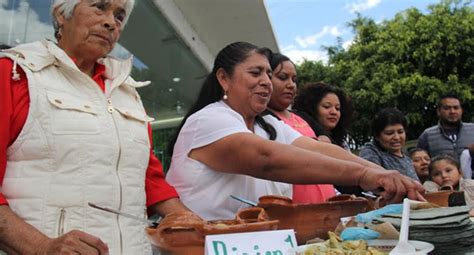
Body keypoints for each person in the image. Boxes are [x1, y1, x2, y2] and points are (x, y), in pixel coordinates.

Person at [0, 0, 190, 254]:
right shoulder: (13, 74)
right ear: (61, 14)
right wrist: (42, 246)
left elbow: (147, 177)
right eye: (99, 7)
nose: (111, 22)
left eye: (120, 16)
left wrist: (193, 222)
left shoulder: (128, 92)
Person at [165, 41, 424, 221]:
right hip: (204, 244)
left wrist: (383, 174)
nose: (266, 82)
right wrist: (365, 174)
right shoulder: (209, 119)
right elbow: (268, 160)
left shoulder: (266, 124)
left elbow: (317, 148)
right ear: (224, 78)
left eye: (268, 73)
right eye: (255, 73)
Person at [266, 52, 336, 204]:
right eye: (283, 77)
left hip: (328, 203)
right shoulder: (263, 120)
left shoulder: (301, 115)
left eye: (294, 79)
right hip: (296, 210)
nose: (291, 84)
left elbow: (325, 138)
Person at [359, 108, 420, 181]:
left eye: (400, 132)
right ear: (377, 136)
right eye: (389, 133)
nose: (397, 137)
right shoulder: (371, 151)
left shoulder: (407, 159)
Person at [292, 82, 354, 149]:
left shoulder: (343, 143)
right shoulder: (301, 137)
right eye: (326, 106)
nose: (334, 112)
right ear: (312, 109)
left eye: (337, 108)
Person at [417, 94, 474, 159]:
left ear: (461, 110)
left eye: (456, 108)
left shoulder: (472, 130)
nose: (452, 111)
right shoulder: (428, 135)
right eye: (447, 108)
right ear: (438, 111)